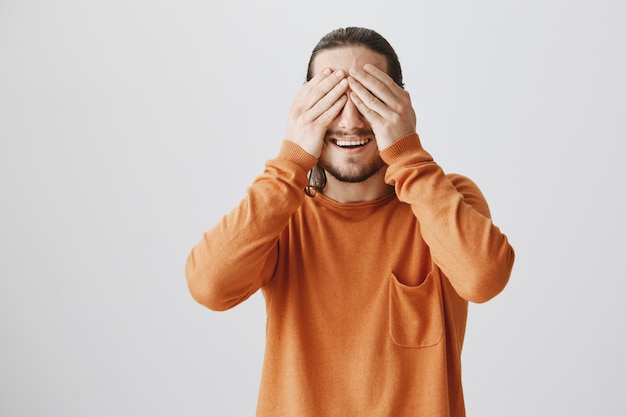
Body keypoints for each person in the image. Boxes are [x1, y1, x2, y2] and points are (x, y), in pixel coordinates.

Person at [185, 26, 515, 417]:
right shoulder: (281, 213)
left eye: (370, 97)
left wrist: (407, 153)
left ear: (400, 108)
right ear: (303, 110)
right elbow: (209, 286)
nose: (350, 119)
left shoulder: (447, 199)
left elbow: (484, 278)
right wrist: (291, 161)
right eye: (329, 99)